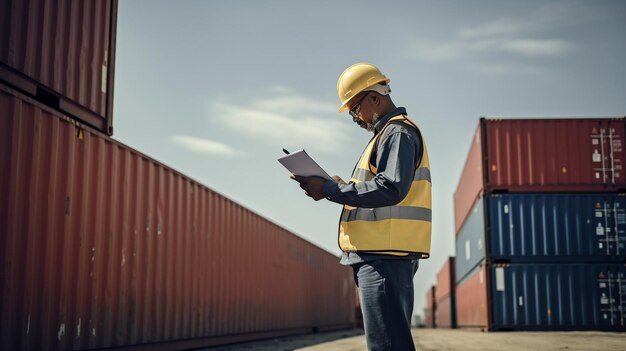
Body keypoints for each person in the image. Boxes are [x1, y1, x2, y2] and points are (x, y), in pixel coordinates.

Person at [292, 62, 432, 351]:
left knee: (388, 346)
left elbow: (390, 188)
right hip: (384, 256)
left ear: (374, 98)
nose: (355, 118)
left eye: (355, 109)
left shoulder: (396, 134)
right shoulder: (388, 136)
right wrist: (338, 186)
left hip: (383, 257)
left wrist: (329, 189)